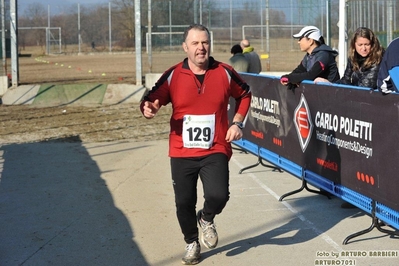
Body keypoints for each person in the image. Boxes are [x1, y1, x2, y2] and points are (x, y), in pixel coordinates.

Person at [140, 24, 251, 265]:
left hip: (215, 147)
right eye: (195, 43)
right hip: (182, 150)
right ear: (185, 47)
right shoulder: (173, 75)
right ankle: (192, 242)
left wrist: (237, 123)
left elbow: (244, 94)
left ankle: (207, 218)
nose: (201, 48)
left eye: (205, 43)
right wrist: (149, 108)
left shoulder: (224, 72)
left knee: (218, 195)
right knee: (183, 202)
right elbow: (151, 99)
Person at [315, 27, 384, 90]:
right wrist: (330, 84)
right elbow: (346, 80)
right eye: (360, 45)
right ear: (354, 44)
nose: (363, 48)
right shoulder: (353, 58)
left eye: (367, 44)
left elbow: (366, 87)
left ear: (373, 44)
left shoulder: (378, 59)